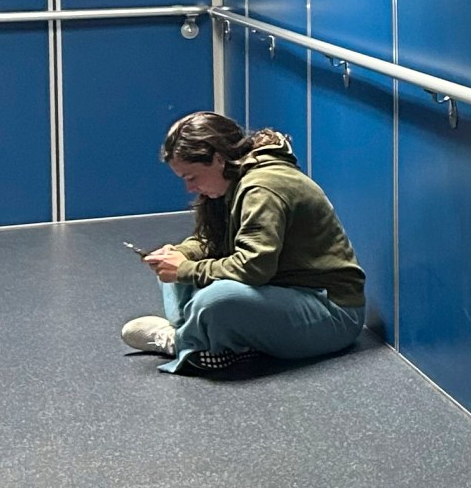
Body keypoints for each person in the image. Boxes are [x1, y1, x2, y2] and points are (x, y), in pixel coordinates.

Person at [119, 112, 369, 375]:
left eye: (192, 177)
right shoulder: (233, 178)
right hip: (283, 292)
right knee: (172, 265)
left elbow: (253, 269)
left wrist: (185, 269)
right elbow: (214, 243)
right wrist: (179, 255)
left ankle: (181, 341)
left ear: (217, 159)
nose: (189, 188)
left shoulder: (262, 188)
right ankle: (195, 335)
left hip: (332, 313)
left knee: (216, 299)